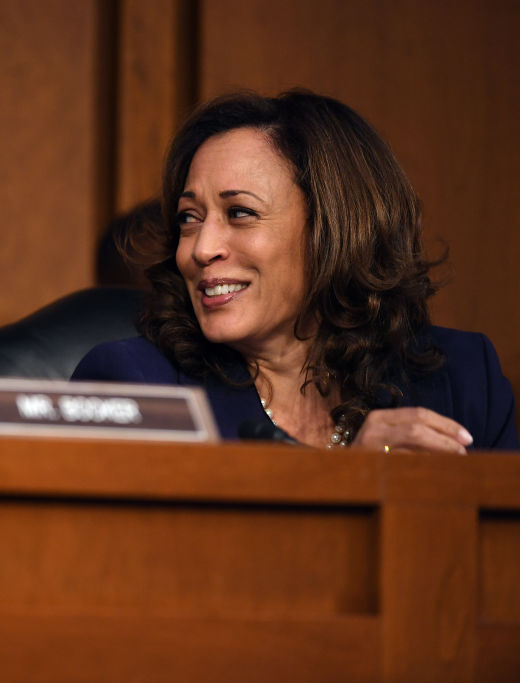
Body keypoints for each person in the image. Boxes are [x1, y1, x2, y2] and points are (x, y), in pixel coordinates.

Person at [73, 90, 518, 451]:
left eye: (240, 213)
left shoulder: (462, 378)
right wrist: (352, 488)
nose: (202, 249)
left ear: (334, 229)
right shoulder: (136, 386)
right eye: (190, 218)